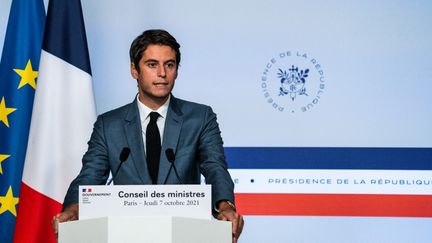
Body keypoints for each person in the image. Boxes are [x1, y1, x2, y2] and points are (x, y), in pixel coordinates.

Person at [52, 29, 244, 242]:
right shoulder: (109, 125)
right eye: (152, 64)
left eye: (169, 65)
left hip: (184, 234)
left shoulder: (200, 118)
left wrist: (225, 206)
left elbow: (215, 167)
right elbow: (90, 175)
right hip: (125, 235)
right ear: (134, 70)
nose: (162, 73)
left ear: (176, 71)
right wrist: (73, 210)